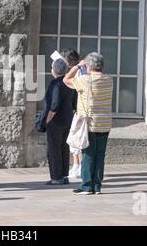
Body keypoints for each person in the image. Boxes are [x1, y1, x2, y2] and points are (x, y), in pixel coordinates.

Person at [63, 52, 113, 195]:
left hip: (90, 123)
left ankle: (86, 186)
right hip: (104, 123)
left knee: (88, 155)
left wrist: (78, 66)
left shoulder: (85, 80)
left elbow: (66, 79)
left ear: (89, 65)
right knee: (100, 156)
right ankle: (97, 186)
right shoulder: (109, 80)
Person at [41, 58, 77, 185]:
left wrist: (47, 119)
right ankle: (64, 175)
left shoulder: (55, 83)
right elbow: (74, 103)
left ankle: (56, 177)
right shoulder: (70, 83)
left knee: (53, 149)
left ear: (55, 70)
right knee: (64, 148)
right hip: (68, 120)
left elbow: (54, 104)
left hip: (55, 121)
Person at [63, 48, 86, 179]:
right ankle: (76, 165)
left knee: (76, 138)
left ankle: (79, 165)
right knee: (73, 139)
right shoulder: (77, 69)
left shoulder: (79, 71)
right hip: (76, 107)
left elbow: (67, 81)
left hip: (79, 108)